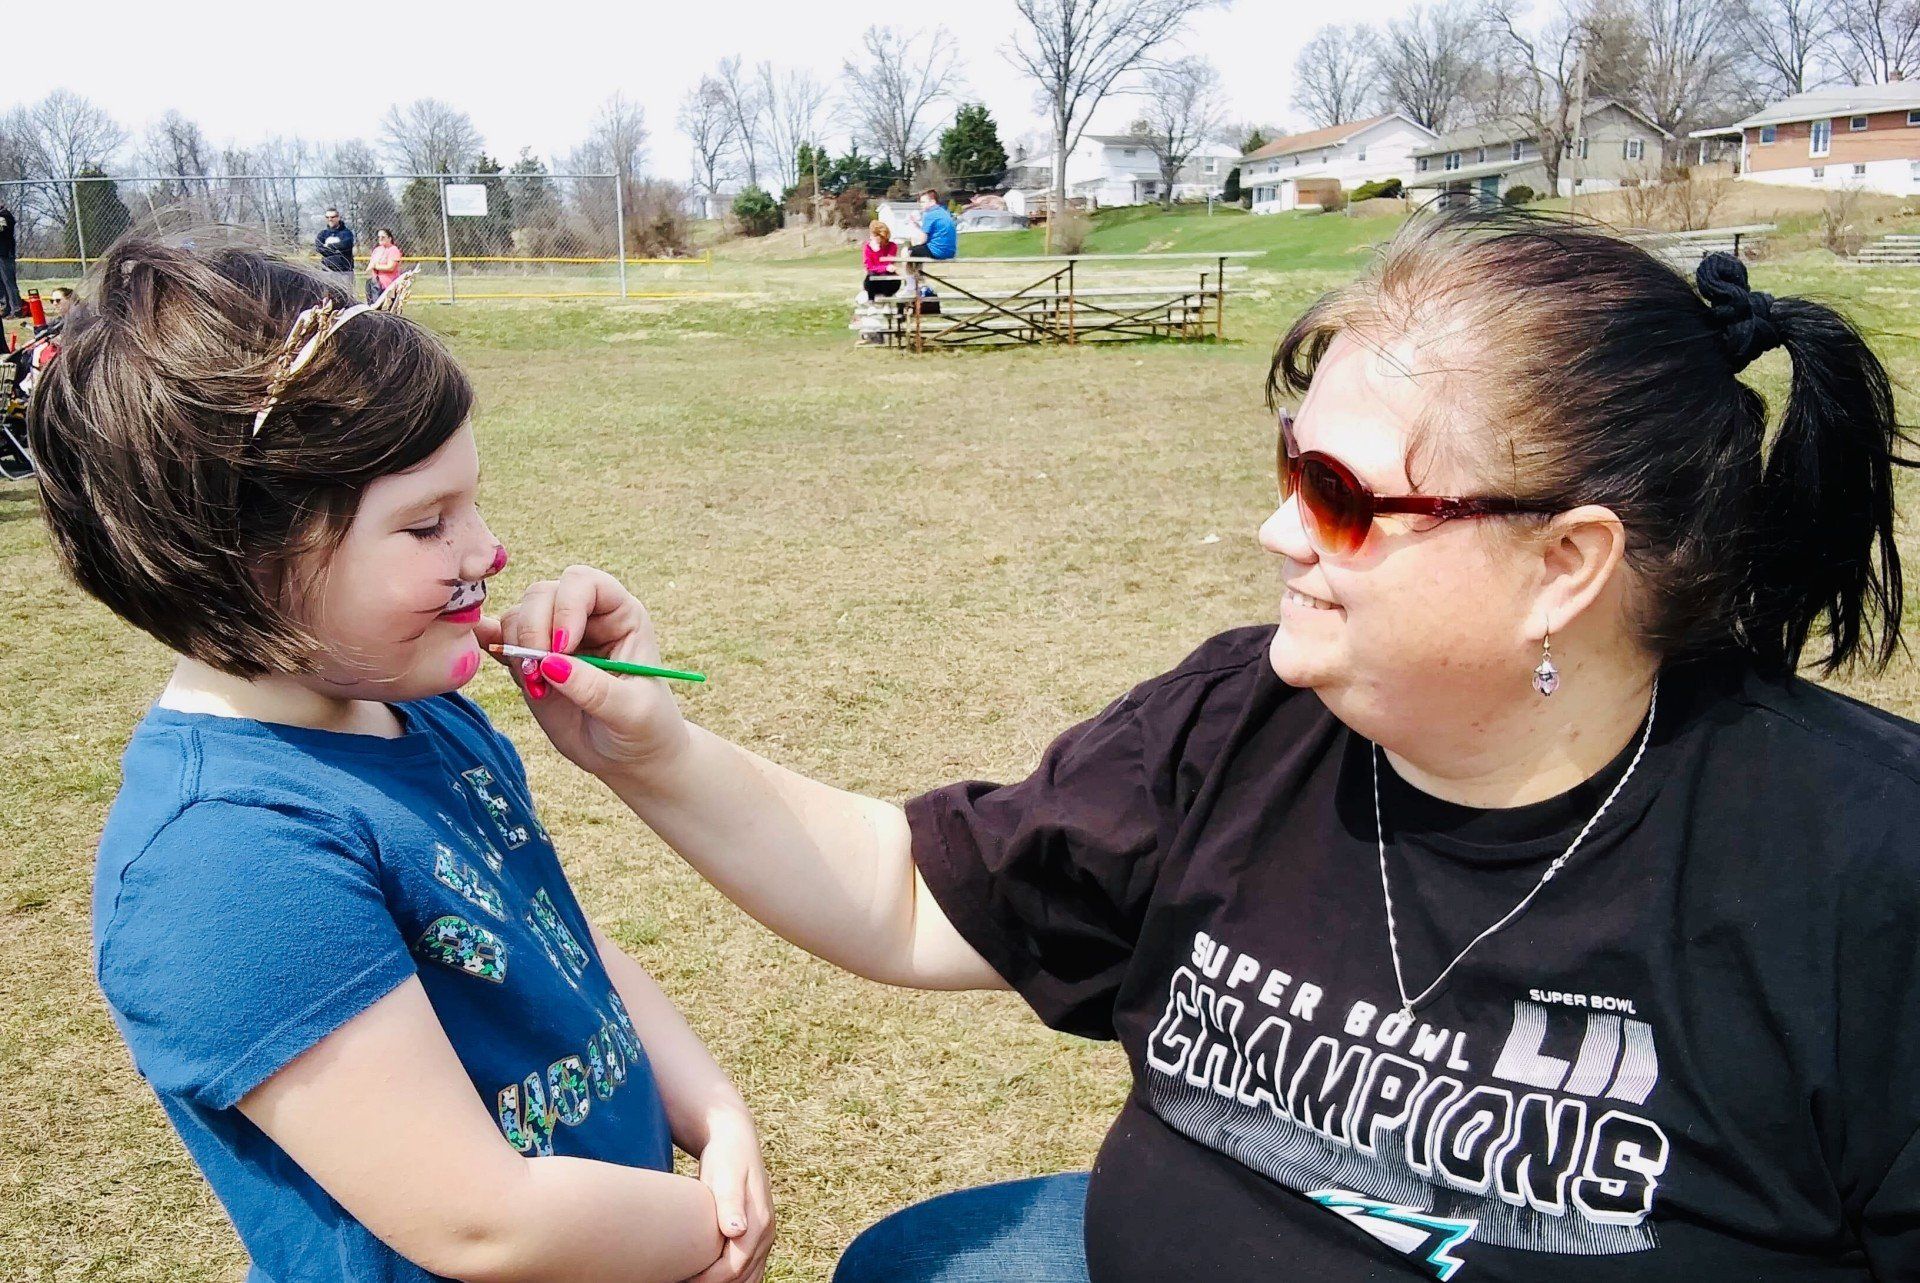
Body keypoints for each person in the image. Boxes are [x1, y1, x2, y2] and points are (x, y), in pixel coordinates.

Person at [492, 206, 1920, 1281]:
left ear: (1566, 561)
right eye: (1288, 464)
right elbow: (910, 891)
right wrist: (649, 748)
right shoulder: (1253, 715)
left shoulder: (1860, 867)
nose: (1277, 529)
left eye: (1341, 494)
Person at [30, 240, 773, 1283]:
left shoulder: (425, 715)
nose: (489, 551)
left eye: (470, 502)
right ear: (240, 562)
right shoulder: (226, 861)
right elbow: (482, 1220)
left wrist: (717, 1111)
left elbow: (560, 944)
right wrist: (714, 1227)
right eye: (426, 524)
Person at [861, 220, 901, 301]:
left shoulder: (892, 246)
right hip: (873, 279)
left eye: (874, 236)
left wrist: (878, 252)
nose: (871, 238)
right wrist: (875, 252)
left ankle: (887, 301)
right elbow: (869, 267)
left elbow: (888, 263)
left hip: (887, 279)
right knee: (871, 277)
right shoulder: (868, 247)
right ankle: (871, 302)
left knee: (890, 278)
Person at [315, 207, 355, 281]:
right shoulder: (322, 234)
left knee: (345, 292)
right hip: (326, 270)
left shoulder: (346, 233)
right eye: (327, 217)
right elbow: (319, 248)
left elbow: (346, 245)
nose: (330, 219)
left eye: (332, 217)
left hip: (344, 271)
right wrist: (337, 250)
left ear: (338, 218)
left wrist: (328, 246)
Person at [366, 227, 404, 304]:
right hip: (374, 282)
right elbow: (370, 265)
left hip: (388, 284)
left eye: (383, 237)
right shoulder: (377, 250)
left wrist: (376, 266)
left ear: (389, 238)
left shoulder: (393, 249)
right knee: (372, 306)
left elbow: (390, 267)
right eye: (379, 237)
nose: (380, 239)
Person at [0, 200, 21, 319]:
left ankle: (16, 308)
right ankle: (5, 307)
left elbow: (2, 230)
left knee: (8, 282)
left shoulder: (4, 215)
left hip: (5, 254)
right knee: (1, 284)